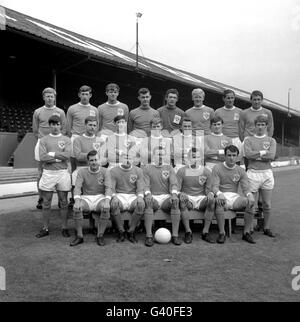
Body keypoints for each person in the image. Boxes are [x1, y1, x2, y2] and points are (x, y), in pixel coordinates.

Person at [35, 115, 71, 238]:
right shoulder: (44, 140)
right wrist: (58, 158)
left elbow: (67, 155)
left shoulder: (66, 139)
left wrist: (53, 155)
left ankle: (65, 227)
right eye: (53, 124)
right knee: (46, 202)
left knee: (64, 202)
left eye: (57, 124)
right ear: (49, 125)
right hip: (48, 173)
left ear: (61, 125)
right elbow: (43, 157)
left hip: (62, 173)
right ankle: (45, 228)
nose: (55, 127)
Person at [211, 145, 256, 244]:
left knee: (250, 203)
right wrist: (219, 194)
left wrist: (249, 195)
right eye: (229, 155)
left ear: (237, 156)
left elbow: (246, 187)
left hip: (234, 198)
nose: (231, 158)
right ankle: (222, 233)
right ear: (225, 156)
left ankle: (246, 233)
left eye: (234, 155)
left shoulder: (240, 170)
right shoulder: (217, 168)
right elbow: (214, 186)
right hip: (221, 196)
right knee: (219, 203)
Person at [32, 87, 66, 209]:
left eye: (52, 96)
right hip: (42, 143)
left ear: (54, 97)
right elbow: (35, 130)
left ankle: (60, 199)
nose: (50, 98)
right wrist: (44, 141)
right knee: (40, 173)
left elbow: (64, 128)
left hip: (57, 143)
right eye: (47, 96)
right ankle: (41, 198)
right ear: (43, 97)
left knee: (58, 172)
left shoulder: (61, 112)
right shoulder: (37, 112)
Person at [243, 115, 276, 237]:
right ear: (255, 126)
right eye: (258, 125)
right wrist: (263, 153)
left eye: (263, 125)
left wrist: (256, 155)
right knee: (251, 203)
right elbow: (248, 155)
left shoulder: (271, 141)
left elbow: (271, 156)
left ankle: (266, 228)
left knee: (266, 204)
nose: (260, 127)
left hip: (267, 173)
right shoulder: (248, 140)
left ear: (266, 126)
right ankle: (248, 229)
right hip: (253, 173)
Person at [71, 150, 112, 246]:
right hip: (86, 198)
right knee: (77, 208)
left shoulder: (105, 171)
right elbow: (77, 187)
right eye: (91, 160)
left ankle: (100, 235)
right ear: (88, 162)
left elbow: (108, 188)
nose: (94, 162)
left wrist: (107, 201)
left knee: (106, 208)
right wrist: (76, 201)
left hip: (99, 198)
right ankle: (79, 236)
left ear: (99, 160)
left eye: (96, 160)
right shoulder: (81, 172)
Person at [73, 116, 106, 233]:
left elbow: (104, 158)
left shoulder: (100, 140)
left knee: (96, 192)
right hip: (81, 169)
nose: (92, 127)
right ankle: (80, 226)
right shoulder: (78, 140)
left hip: (96, 168)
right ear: (85, 125)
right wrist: (93, 156)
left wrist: (90, 157)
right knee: (81, 193)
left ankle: (95, 226)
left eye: (94, 125)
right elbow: (78, 156)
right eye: (90, 125)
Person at [143, 146, 181, 247]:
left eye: (162, 154)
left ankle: (175, 235)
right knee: (148, 202)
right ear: (153, 156)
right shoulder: (147, 168)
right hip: (153, 197)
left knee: (175, 202)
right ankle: (149, 236)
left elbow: (173, 183)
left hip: (165, 198)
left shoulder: (169, 168)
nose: (160, 156)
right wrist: (148, 194)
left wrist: (174, 194)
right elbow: (145, 185)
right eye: (158, 154)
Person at [66, 85, 98, 206]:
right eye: (82, 94)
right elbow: (68, 127)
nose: (85, 96)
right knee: (75, 170)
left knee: (91, 165)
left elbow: (97, 125)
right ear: (79, 95)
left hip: (90, 139)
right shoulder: (72, 108)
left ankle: (88, 195)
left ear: (90, 95)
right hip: (76, 138)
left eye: (87, 94)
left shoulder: (94, 110)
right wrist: (74, 138)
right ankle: (73, 197)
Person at [177, 148, 215, 244]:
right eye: (193, 157)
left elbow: (210, 188)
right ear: (189, 158)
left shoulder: (206, 171)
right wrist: (180, 193)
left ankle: (205, 232)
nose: (196, 159)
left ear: (201, 158)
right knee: (182, 202)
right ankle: (188, 232)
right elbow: (176, 188)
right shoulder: (181, 171)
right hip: (188, 198)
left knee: (212, 201)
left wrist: (210, 194)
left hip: (201, 198)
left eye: (198, 157)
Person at [109, 153, 145, 243]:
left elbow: (140, 187)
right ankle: (121, 231)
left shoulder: (138, 171)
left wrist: (140, 197)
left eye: (130, 157)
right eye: (125, 157)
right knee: (113, 204)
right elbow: (111, 188)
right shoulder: (113, 171)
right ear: (121, 158)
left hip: (133, 196)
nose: (127, 160)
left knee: (141, 204)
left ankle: (131, 231)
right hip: (119, 195)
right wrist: (114, 197)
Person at [215, 90, 243, 157]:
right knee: (223, 159)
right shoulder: (218, 112)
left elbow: (242, 127)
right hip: (222, 139)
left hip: (236, 139)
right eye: (228, 98)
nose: (230, 100)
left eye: (232, 98)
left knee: (236, 161)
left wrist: (242, 140)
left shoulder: (240, 112)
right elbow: (214, 127)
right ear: (223, 99)